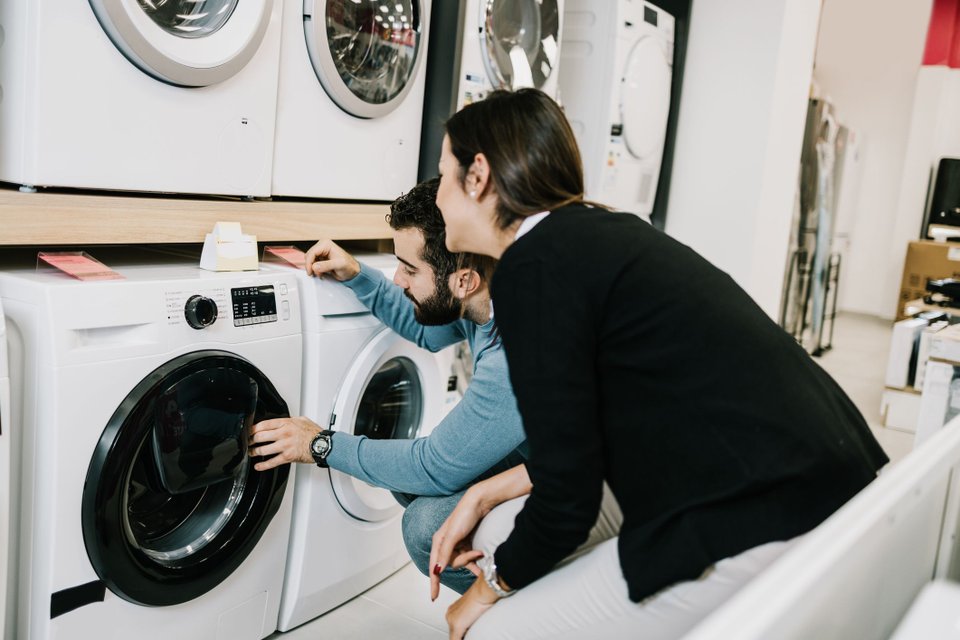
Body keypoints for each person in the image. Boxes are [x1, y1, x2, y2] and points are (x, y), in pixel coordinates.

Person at [427, 88, 890, 639]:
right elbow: (584, 447)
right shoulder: (602, 233)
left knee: (490, 630)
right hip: (827, 474)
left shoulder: (534, 271)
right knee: (497, 534)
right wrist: (486, 498)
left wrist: (487, 591)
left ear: (478, 176)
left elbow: (568, 501)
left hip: (770, 508)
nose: (438, 196)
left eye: (444, 175)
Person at [248, 178, 526, 594]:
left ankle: (513, 611)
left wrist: (319, 444)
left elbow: (433, 467)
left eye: (410, 269)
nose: (398, 279)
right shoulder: (488, 292)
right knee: (405, 481)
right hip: (536, 452)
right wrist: (357, 275)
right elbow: (426, 329)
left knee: (425, 527)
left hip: (589, 482)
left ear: (465, 281)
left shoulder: (517, 352)